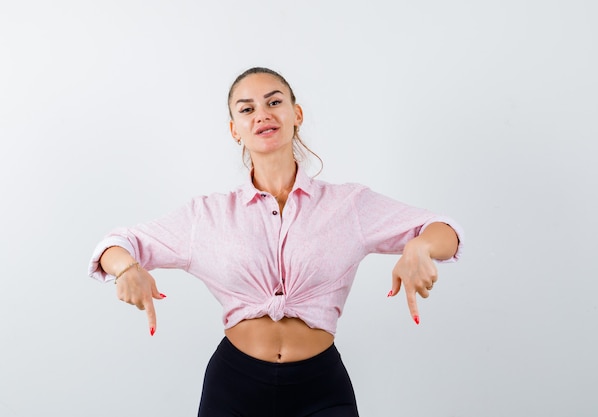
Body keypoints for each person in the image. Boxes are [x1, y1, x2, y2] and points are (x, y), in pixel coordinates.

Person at [88, 67, 464, 417]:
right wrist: (126, 267)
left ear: (296, 114)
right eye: (247, 108)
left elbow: (443, 230)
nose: (262, 114)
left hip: (321, 389)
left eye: (274, 102)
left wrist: (419, 246)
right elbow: (116, 244)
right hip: (233, 387)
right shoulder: (207, 215)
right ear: (235, 129)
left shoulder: (348, 204)